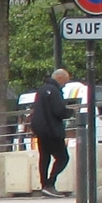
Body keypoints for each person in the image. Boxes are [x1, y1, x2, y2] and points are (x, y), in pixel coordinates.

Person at [28, 68, 71, 196]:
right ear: (60, 78)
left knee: (44, 157)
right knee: (63, 158)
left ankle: (44, 185)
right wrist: (69, 112)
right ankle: (50, 183)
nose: (65, 85)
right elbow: (59, 110)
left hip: (40, 129)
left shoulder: (41, 90)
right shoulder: (55, 91)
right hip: (52, 130)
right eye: (65, 82)